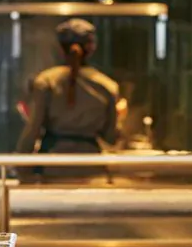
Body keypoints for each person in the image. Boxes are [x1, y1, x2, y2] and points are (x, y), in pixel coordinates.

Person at [15, 18, 120, 178]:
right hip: (91, 169)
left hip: (52, 167)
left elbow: (33, 130)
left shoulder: (46, 81)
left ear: (60, 48)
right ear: (91, 48)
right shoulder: (108, 86)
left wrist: (21, 168)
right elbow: (111, 138)